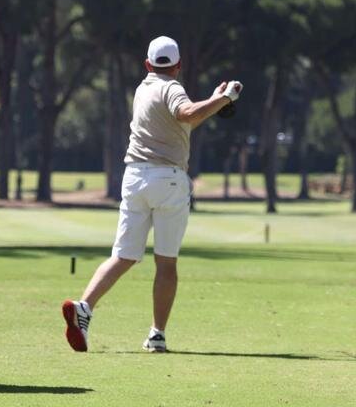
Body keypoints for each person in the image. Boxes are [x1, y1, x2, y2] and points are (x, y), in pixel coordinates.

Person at [61, 35, 241, 353]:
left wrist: (215, 101)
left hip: (134, 178)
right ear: (179, 65)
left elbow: (180, 123)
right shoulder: (173, 88)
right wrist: (224, 98)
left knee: (124, 255)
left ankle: (85, 307)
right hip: (168, 180)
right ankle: (157, 333)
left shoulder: (144, 89)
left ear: (147, 64)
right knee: (166, 262)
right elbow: (186, 114)